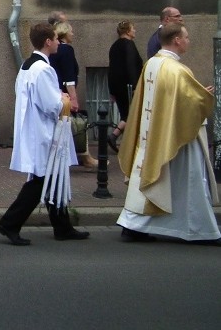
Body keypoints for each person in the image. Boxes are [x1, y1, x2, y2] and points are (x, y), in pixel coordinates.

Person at [117, 24, 220, 243]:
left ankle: (133, 225)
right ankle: (199, 230)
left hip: (152, 134)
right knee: (188, 181)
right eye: (186, 37)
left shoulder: (151, 64)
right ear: (176, 40)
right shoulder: (176, 70)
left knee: (150, 179)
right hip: (174, 138)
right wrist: (203, 96)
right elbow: (188, 103)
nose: (188, 41)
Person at [0, 23, 90, 246]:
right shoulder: (44, 69)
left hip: (34, 130)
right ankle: (9, 223)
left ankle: (62, 226)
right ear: (48, 41)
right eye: (56, 39)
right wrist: (64, 99)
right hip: (44, 133)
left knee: (51, 178)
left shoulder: (28, 65)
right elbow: (51, 105)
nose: (59, 42)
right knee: (40, 181)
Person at [50, 22, 97, 169]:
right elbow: (69, 77)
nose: (73, 34)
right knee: (75, 125)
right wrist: (74, 99)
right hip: (64, 94)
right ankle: (84, 156)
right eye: (71, 31)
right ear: (65, 33)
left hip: (56, 92)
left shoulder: (54, 51)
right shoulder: (66, 50)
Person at [106, 20, 143, 152]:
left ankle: (117, 137)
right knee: (131, 114)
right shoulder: (128, 45)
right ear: (127, 31)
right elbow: (131, 66)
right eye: (133, 28)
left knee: (126, 113)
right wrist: (134, 86)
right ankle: (115, 136)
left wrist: (111, 89)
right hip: (127, 86)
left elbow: (111, 69)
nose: (135, 31)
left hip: (117, 86)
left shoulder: (114, 46)